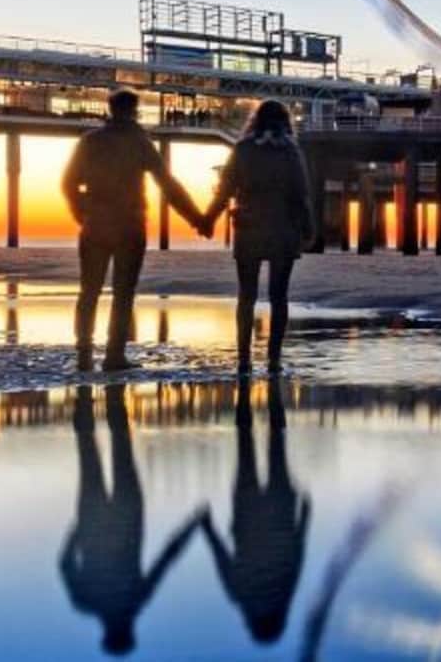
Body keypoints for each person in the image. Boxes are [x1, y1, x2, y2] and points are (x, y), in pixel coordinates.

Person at [62, 88, 207, 372]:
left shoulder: (90, 141)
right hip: (129, 226)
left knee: (88, 291)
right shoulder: (139, 142)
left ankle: (83, 353)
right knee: (123, 293)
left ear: (110, 109)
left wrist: (83, 213)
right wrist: (196, 218)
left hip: (96, 226)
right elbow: (168, 185)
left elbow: (69, 182)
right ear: (134, 111)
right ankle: (114, 354)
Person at [58, 385, 202, 655]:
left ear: (127, 631)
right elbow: (65, 563)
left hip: (127, 515)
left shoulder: (134, 599)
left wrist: (194, 525)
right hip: (93, 520)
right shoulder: (85, 600)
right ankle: (85, 391)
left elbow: (167, 557)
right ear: (106, 633)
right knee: (88, 450)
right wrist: (79, 529)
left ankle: (109, 390)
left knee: (120, 444)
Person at [205, 99, 315, 372]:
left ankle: (244, 359)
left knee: (246, 296)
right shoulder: (290, 151)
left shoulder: (243, 149)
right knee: (279, 297)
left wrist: (209, 218)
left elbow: (225, 189)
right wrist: (308, 228)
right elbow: (301, 194)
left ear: (255, 120)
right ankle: (274, 359)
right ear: (285, 122)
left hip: (249, 229)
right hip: (283, 230)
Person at [200, 386, 311, 644]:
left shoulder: (285, 590)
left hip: (280, 511)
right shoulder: (241, 594)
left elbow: (297, 551)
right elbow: (222, 558)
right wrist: (207, 527)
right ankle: (245, 386)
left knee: (277, 445)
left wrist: (305, 515)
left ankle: (270, 386)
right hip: (246, 517)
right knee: (245, 445)